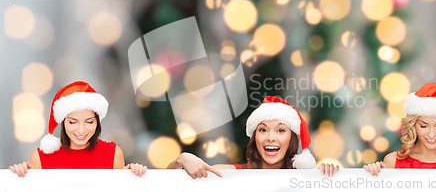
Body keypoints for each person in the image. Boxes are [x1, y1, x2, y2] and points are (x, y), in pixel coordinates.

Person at [168, 96, 339, 179]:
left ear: (292, 140)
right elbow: (163, 186)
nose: (271, 137)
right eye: (263, 130)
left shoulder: (305, 179)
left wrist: (337, 178)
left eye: (280, 131)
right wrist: (181, 160)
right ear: (255, 138)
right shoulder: (228, 174)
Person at [9, 81, 147, 177]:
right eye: (73, 122)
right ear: (63, 122)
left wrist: (134, 175)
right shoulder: (40, 158)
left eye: (89, 121)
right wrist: (18, 176)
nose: (81, 130)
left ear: (98, 122)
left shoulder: (113, 154)